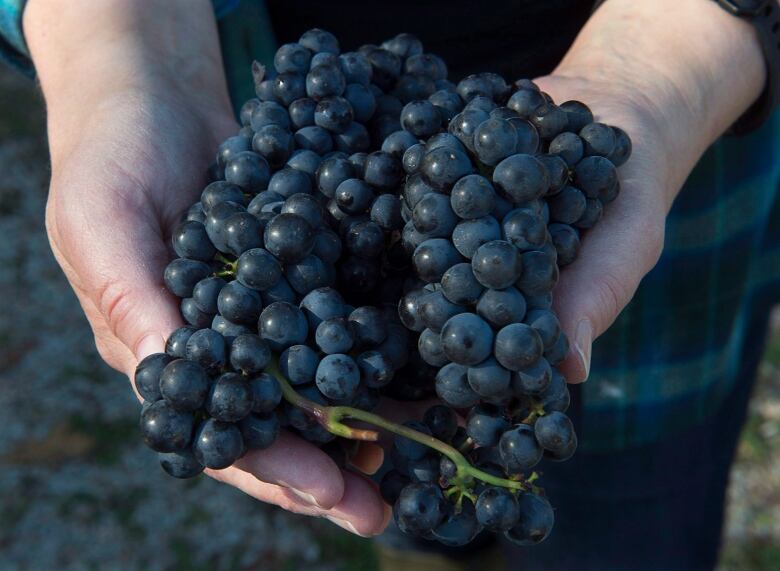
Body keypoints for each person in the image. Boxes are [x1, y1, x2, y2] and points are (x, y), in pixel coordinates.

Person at [1, 0, 778, 569]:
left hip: (678, 173)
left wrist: (684, 47)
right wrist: (115, 40)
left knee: (634, 527)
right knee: (407, 500)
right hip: (256, 88)